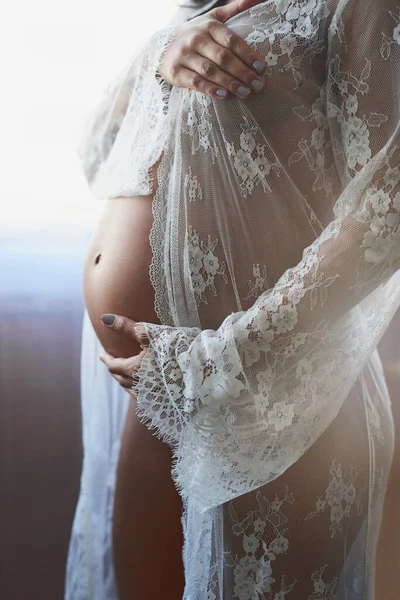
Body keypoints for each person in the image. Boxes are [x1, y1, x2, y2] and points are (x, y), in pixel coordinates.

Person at [69, 0, 400, 598]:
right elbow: (98, 155)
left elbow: (386, 212)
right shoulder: (197, 9)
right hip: (160, 401)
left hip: (273, 405)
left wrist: (219, 362)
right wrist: (160, 53)